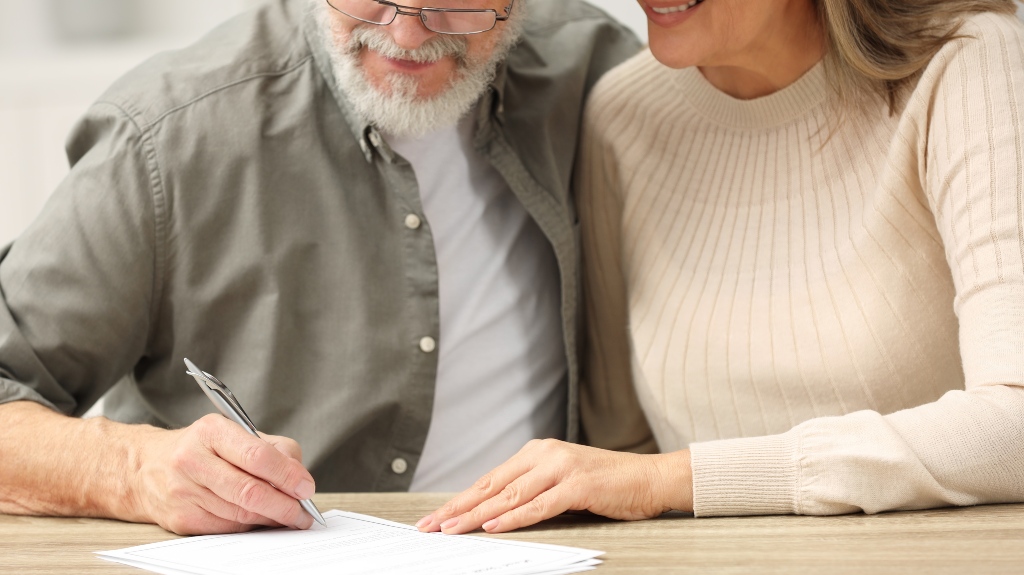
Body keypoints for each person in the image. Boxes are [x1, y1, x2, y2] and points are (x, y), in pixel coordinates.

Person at [0, 0, 641, 535]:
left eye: (455, 5)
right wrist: (135, 469)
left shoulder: (591, 66)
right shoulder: (169, 136)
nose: (408, 32)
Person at [418, 0, 1024, 535]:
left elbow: (1015, 425)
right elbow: (619, 447)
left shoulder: (967, 59)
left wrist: (674, 480)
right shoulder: (622, 116)